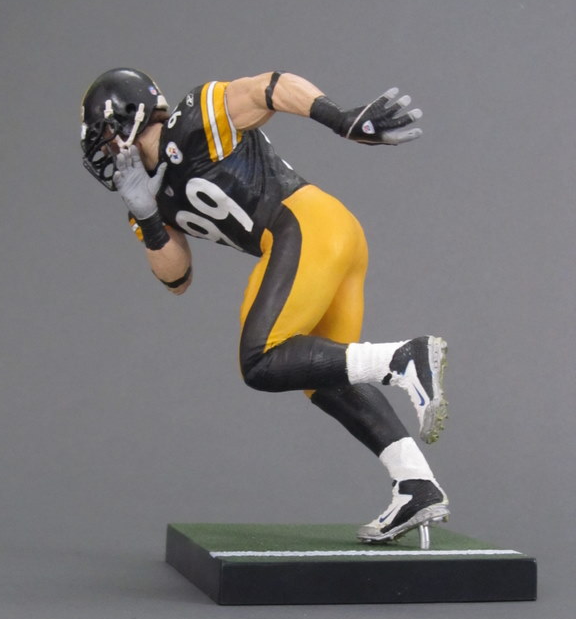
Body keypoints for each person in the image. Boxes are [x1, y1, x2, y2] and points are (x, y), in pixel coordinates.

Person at [80, 68, 450, 543]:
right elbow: (177, 279)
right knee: (321, 377)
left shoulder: (192, 122)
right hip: (324, 238)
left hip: (306, 224)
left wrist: (339, 118)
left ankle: (402, 358)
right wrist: (149, 218)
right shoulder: (146, 192)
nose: (102, 148)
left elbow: (268, 87)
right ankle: (416, 483)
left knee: (260, 359)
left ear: (126, 118)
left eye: (103, 133)